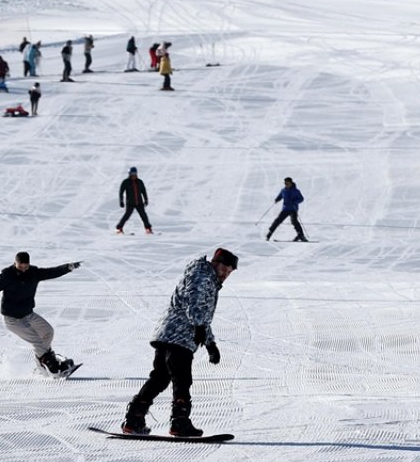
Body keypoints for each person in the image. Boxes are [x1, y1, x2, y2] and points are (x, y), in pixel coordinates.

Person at [121, 248, 239, 437]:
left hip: (168, 334)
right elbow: (195, 305)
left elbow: (201, 313)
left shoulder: (204, 276)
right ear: (216, 263)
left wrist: (210, 343)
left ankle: (134, 419)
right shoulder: (203, 277)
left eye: (230, 271)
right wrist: (200, 328)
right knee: (181, 380)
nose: (226, 273)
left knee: (159, 378)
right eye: (224, 268)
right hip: (179, 337)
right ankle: (180, 423)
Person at [0, 252, 82, 377]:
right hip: (12, 319)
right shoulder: (6, 276)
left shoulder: (34, 273)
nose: (24, 269)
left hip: (28, 314)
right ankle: (53, 368)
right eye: (21, 266)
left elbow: (51, 272)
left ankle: (41, 363)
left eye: (26, 266)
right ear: (15, 263)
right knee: (37, 341)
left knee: (48, 332)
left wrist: (68, 267)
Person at [266, 176, 307, 241]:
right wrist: (277, 199)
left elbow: (301, 199)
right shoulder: (283, 190)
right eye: (285, 183)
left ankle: (301, 236)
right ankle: (269, 234)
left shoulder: (296, 191)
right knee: (277, 221)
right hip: (285, 209)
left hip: (293, 209)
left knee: (294, 222)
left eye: (287, 183)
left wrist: (294, 202)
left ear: (291, 183)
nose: (286, 185)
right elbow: (280, 196)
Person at [115, 166, 152, 234]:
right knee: (127, 216)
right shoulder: (126, 182)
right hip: (130, 203)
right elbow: (121, 192)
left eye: (135, 173)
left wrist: (146, 200)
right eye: (132, 174)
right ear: (129, 174)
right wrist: (121, 201)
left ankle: (148, 229)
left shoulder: (140, 182)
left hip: (139, 202)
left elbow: (144, 191)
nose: (134, 175)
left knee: (144, 216)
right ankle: (119, 228)